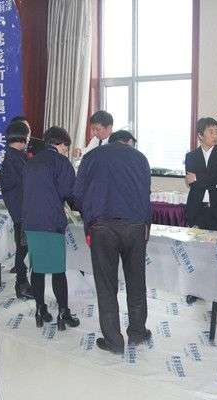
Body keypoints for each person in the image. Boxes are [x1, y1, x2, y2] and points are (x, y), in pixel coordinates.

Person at [74, 129, 151, 355]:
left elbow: (77, 193)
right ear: (128, 142)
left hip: (102, 227)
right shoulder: (140, 158)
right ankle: (137, 332)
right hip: (135, 227)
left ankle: (114, 342)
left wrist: (90, 217)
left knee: (106, 286)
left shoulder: (92, 157)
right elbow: (146, 194)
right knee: (136, 282)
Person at [21, 126, 80, 330]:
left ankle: (40, 310)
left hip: (31, 221)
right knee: (57, 270)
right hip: (51, 221)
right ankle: (63, 312)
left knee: (37, 268)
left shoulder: (31, 161)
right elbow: (69, 192)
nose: (66, 151)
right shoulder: (62, 162)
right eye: (66, 147)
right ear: (60, 144)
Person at [184, 117, 217, 304]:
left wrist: (199, 179)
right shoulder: (191, 156)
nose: (215, 135)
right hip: (198, 211)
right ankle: (195, 290)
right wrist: (209, 180)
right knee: (197, 253)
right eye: (211, 131)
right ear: (200, 135)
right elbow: (192, 182)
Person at [0, 121, 34, 299]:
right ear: (23, 137)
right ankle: (21, 285)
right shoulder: (15, 159)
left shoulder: (14, 156)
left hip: (20, 211)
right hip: (22, 212)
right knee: (23, 250)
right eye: (28, 136)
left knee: (23, 248)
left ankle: (22, 283)